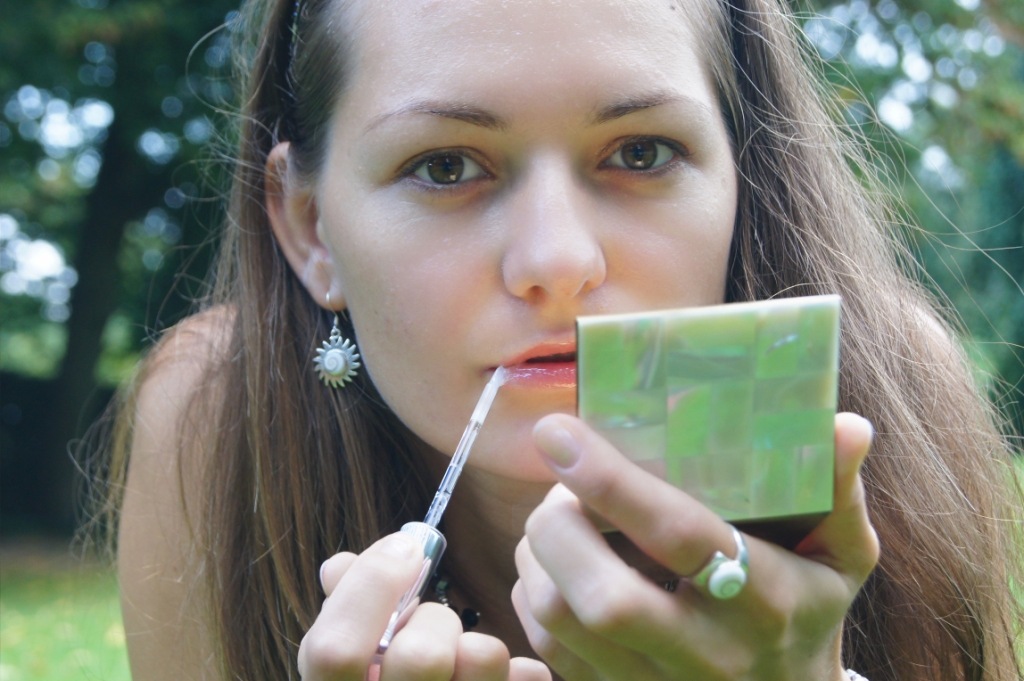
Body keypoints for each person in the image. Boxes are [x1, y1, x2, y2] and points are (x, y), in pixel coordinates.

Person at [86, 0, 1023, 679]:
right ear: (310, 230)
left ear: (746, 181)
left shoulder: (888, 394)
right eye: (444, 166)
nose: (558, 261)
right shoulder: (215, 421)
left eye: (641, 152)